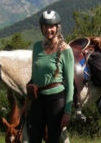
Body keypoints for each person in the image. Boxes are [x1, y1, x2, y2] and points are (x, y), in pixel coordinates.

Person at [27, 10, 74, 143]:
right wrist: (26, 104)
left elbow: (70, 84)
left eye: (52, 26)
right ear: (41, 28)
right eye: (46, 26)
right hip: (37, 99)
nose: (49, 30)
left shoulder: (66, 50)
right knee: (33, 138)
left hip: (56, 100)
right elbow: (33, 77)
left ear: (57, 27)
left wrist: (67, 111)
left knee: (53, 139)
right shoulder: (36, 47)